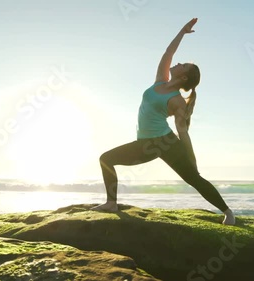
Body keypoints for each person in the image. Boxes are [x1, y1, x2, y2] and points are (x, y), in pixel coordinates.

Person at [91, 18, 235, 225]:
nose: (177, 63)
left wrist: (191, 160)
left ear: (184, 77)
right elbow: (168, 53)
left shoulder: (177, 101)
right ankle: (111, 203)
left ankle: (228, 212)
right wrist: (182, 32)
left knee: (193, 178)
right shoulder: (160, 80)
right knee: (106, 159)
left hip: (164, 143)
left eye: (183, 65)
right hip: (144, 143)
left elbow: (182, 132)